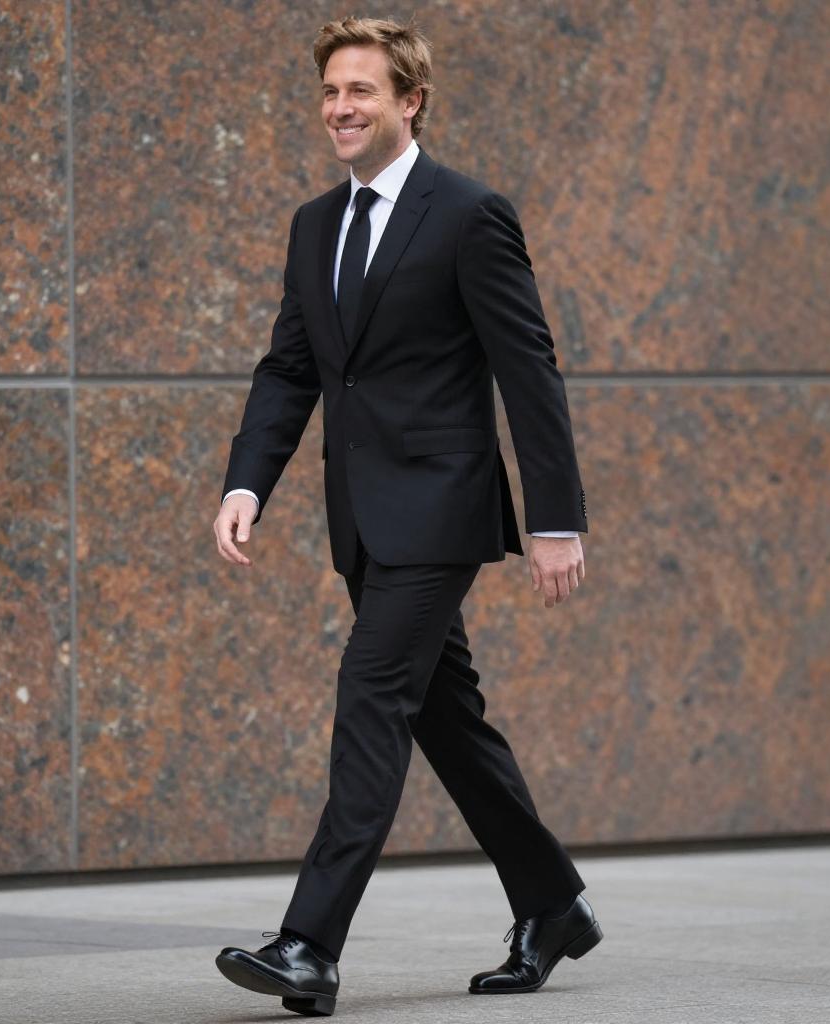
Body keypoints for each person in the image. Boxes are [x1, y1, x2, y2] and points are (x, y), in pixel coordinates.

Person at [213, 15, 602, 1017]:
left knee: (371, 696)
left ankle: (308, 942)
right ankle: (551, 902)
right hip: (361, 517)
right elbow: (291, 366)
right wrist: (248, 481)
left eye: (362, 92)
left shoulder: (469, 214)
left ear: (409, 100)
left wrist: (555, 519)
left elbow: (530, 370)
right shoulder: (313, 225)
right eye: (330, 93)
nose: (341, 109)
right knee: (445, 717)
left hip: (441, 509)